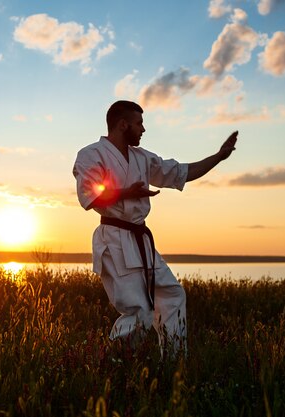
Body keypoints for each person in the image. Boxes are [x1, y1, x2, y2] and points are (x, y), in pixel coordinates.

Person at [72, 100, 237, 354]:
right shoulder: (91, 154)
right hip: (114, 239)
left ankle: (173, 363)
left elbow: (181, 171)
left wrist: (218, 157)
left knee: (172, 294)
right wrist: (127, 192)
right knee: (139, 313)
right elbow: (89, 196)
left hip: (141, 239)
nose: (143, 129)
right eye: (139, 123)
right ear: (122, 124)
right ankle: (113, 365)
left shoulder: (142, 158)